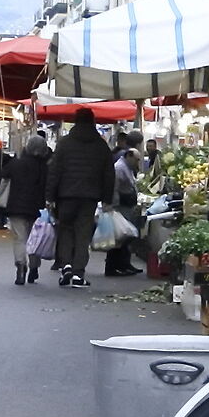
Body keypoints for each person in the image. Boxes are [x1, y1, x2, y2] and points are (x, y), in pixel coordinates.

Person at [50, 112, 115, 288]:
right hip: (90, 197)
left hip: (66, 196)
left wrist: (50, 197)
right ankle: (78, 273)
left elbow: (54, 171)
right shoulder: (101, 145)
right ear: (93, 122)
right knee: (83, 234)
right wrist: (107, 198)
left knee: (65, 231)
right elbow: (109, 173)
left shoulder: (64, 143)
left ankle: (66, 266)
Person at [6, 127, 52, 284]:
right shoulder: (45, 168)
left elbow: (2, 176)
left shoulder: (16, 164)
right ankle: (34, 268)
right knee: (36, 239)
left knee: (20, 239)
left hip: (16, 207)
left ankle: (20, 266)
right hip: (37, 209)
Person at [103, 136, 143, 278]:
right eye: (137, 159)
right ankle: (113, 266)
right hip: (120, 207)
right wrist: (112, 206)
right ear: (129, 156)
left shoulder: (127, 168)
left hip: (125, 206)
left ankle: (124, 264)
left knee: (125, 237)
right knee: (119, 237)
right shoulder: (119, 168)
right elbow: (115, 188)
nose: (138, 162)